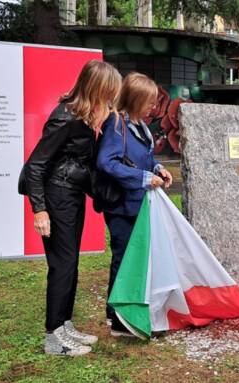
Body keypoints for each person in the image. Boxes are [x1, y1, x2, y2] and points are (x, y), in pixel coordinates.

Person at [23, 60, 122, 355]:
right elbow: (35, 166)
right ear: (97, 88)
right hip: (56, 199)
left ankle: (63, 324)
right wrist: (39, 210)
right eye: (109, 92)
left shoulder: (81, 117)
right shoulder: (63, 118)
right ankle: (53, 338)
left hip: (71, 196)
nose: (111, 99)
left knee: (69, 264)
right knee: (62, 266)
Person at [96, 72, 173, 337]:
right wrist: (142, 178)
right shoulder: (116, 124)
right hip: (121, 205)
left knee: (136, 258)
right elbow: (107, 162)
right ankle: (118, 319)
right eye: (150, 101)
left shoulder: (139, 125)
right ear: (136, 99)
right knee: (123, 258)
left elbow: (144, 157)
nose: (154, 107)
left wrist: (159, 169)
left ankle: (128, 311)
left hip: (137, 204)